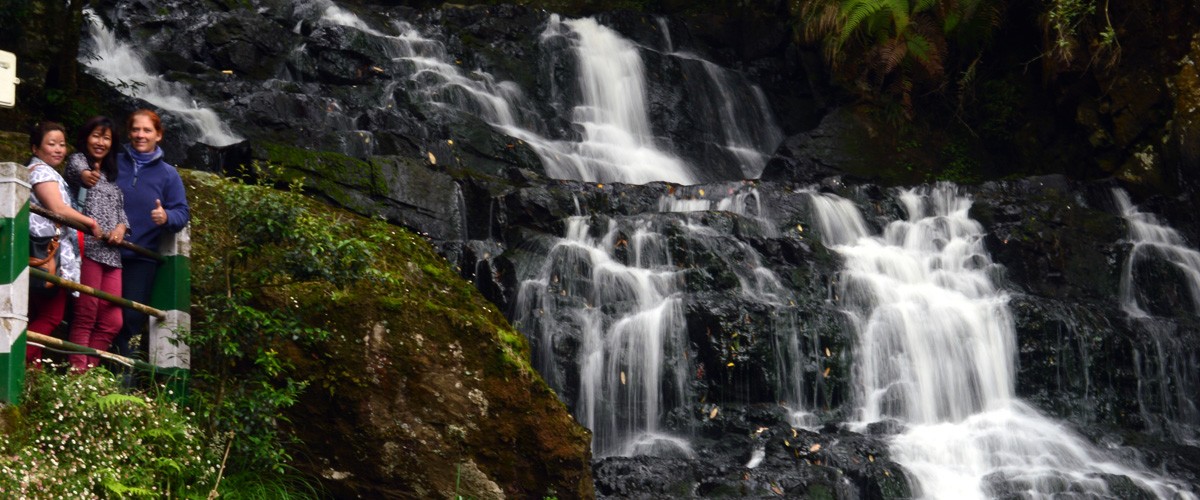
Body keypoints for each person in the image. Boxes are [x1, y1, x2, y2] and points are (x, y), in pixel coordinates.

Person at [111, 109, 190, 360]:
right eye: (136, 129)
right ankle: (91, 372)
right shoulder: (114, 162)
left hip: (141, 257)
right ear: (128, 132)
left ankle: (124, 376)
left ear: (159, 135)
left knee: (131, 318)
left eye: (147, 130)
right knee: (100, 311)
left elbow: (182, 213)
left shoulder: (168, 174)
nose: (140, 135)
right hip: (106, 251)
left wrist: (166, 217)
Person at [25, 121, 101, 364]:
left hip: (43, 253)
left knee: (37, 314)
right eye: (51, 144)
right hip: (48, 256)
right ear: (35, 148)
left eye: (62, 144)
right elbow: (57, 208)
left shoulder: (42, 170)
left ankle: (31, 372)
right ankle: (13, 361)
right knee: (52, 316)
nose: (58, 149)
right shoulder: (41, 171)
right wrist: (89, 222)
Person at [63, 116, 127, 372]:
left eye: (106, 138)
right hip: (86, 249)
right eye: (96, 136)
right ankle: (78, 373)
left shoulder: (112, 178)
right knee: (86, 315)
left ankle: (88, 372)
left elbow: (121, 214)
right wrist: (87, 175)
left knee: (113, 321)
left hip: (112, 255)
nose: (101, 142)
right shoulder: (78, 161)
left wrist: (121, 228)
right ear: (86, 137)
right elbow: (78, 172)